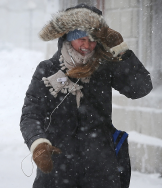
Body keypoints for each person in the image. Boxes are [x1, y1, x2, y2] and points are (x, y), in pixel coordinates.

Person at [20, 4, 152, 188]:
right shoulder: (47, 69)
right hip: (58, 169)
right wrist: (38, 144)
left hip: (100, 169)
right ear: (68, 37)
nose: (87, 46)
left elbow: (141, 88)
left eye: (92, 40)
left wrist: (121, 49)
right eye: (81, 39)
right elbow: (31, 114)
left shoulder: (105, 67)